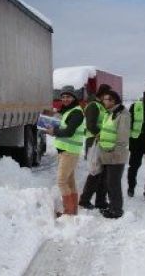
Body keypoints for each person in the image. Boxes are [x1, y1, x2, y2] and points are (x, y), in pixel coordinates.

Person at [48, 86, 85, 216]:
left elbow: (69, 132)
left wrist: (54, 131)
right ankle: (72, 211)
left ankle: (68, 212)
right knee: (70, 181)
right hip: (66, 151)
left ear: (74, 97)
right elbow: (64, 127)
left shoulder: (76, 112)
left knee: (61, 181)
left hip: (69, 152)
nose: (65, 99)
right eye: (63, 97)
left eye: (68, 97)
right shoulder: (68, 111)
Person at [79, 84, 112, 210]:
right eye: (107, 95)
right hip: (94, 142)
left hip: (101, 142)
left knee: (103, 173)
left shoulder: (102, 106)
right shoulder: (93, 106)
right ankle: (84, 199)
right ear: (103, 94)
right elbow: (91, 125)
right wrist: (101, 135)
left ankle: (100, 200)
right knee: (95, 172)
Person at [98, 90, 130, 219]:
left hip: (115, 155)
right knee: (109, 182)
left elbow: (122, 137)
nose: (103, 101)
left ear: (113, 101)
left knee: (114, 183)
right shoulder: (110, 113)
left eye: (105, 99)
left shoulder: (123, 115)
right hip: (107, 154)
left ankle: (116, 210)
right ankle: (112, 207)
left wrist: (116, 153)